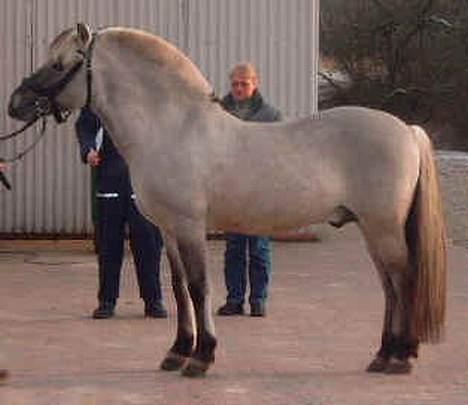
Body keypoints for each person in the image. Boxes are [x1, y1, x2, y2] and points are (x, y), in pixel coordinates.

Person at [75, 108, 167, 319]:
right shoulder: (99, 95)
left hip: (143, 185)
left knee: (148, 246)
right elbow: (85, 125)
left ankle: (153, 300)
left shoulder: (148, 94)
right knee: (108, 246)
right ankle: (107, 301)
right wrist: (88, 150)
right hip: (109, 181)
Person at [217, 63, 282, 317]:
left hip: (259, 191)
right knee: (233, 248)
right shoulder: (217, 113)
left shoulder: (271, 115)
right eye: (235, 84)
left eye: (244, 83)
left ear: (255, 83)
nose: (239, 88)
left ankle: (258, 299)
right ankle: (234, 299)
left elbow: (280, 153)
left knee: (258, 248)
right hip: (229, 190)